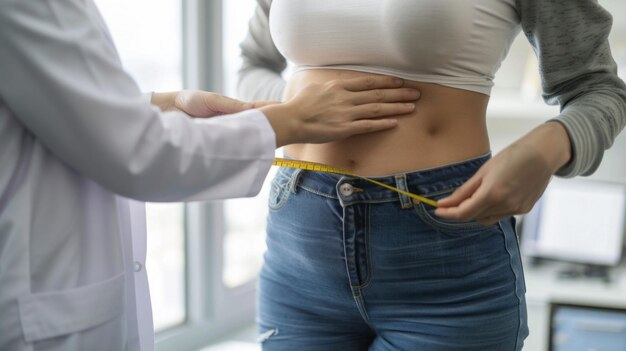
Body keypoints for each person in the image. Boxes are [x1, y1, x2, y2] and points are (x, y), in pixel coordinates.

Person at [0, 1, 422, 350]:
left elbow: (61, 103)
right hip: (301, 244)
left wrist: (162, 104)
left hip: (435, 243)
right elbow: (138, 152)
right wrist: (292, 118)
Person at [238, 0, 626, 350]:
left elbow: (600, 89)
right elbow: (253, 64)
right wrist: (296, 111)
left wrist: (548, 146)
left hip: (443, 258)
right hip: (299, 253)